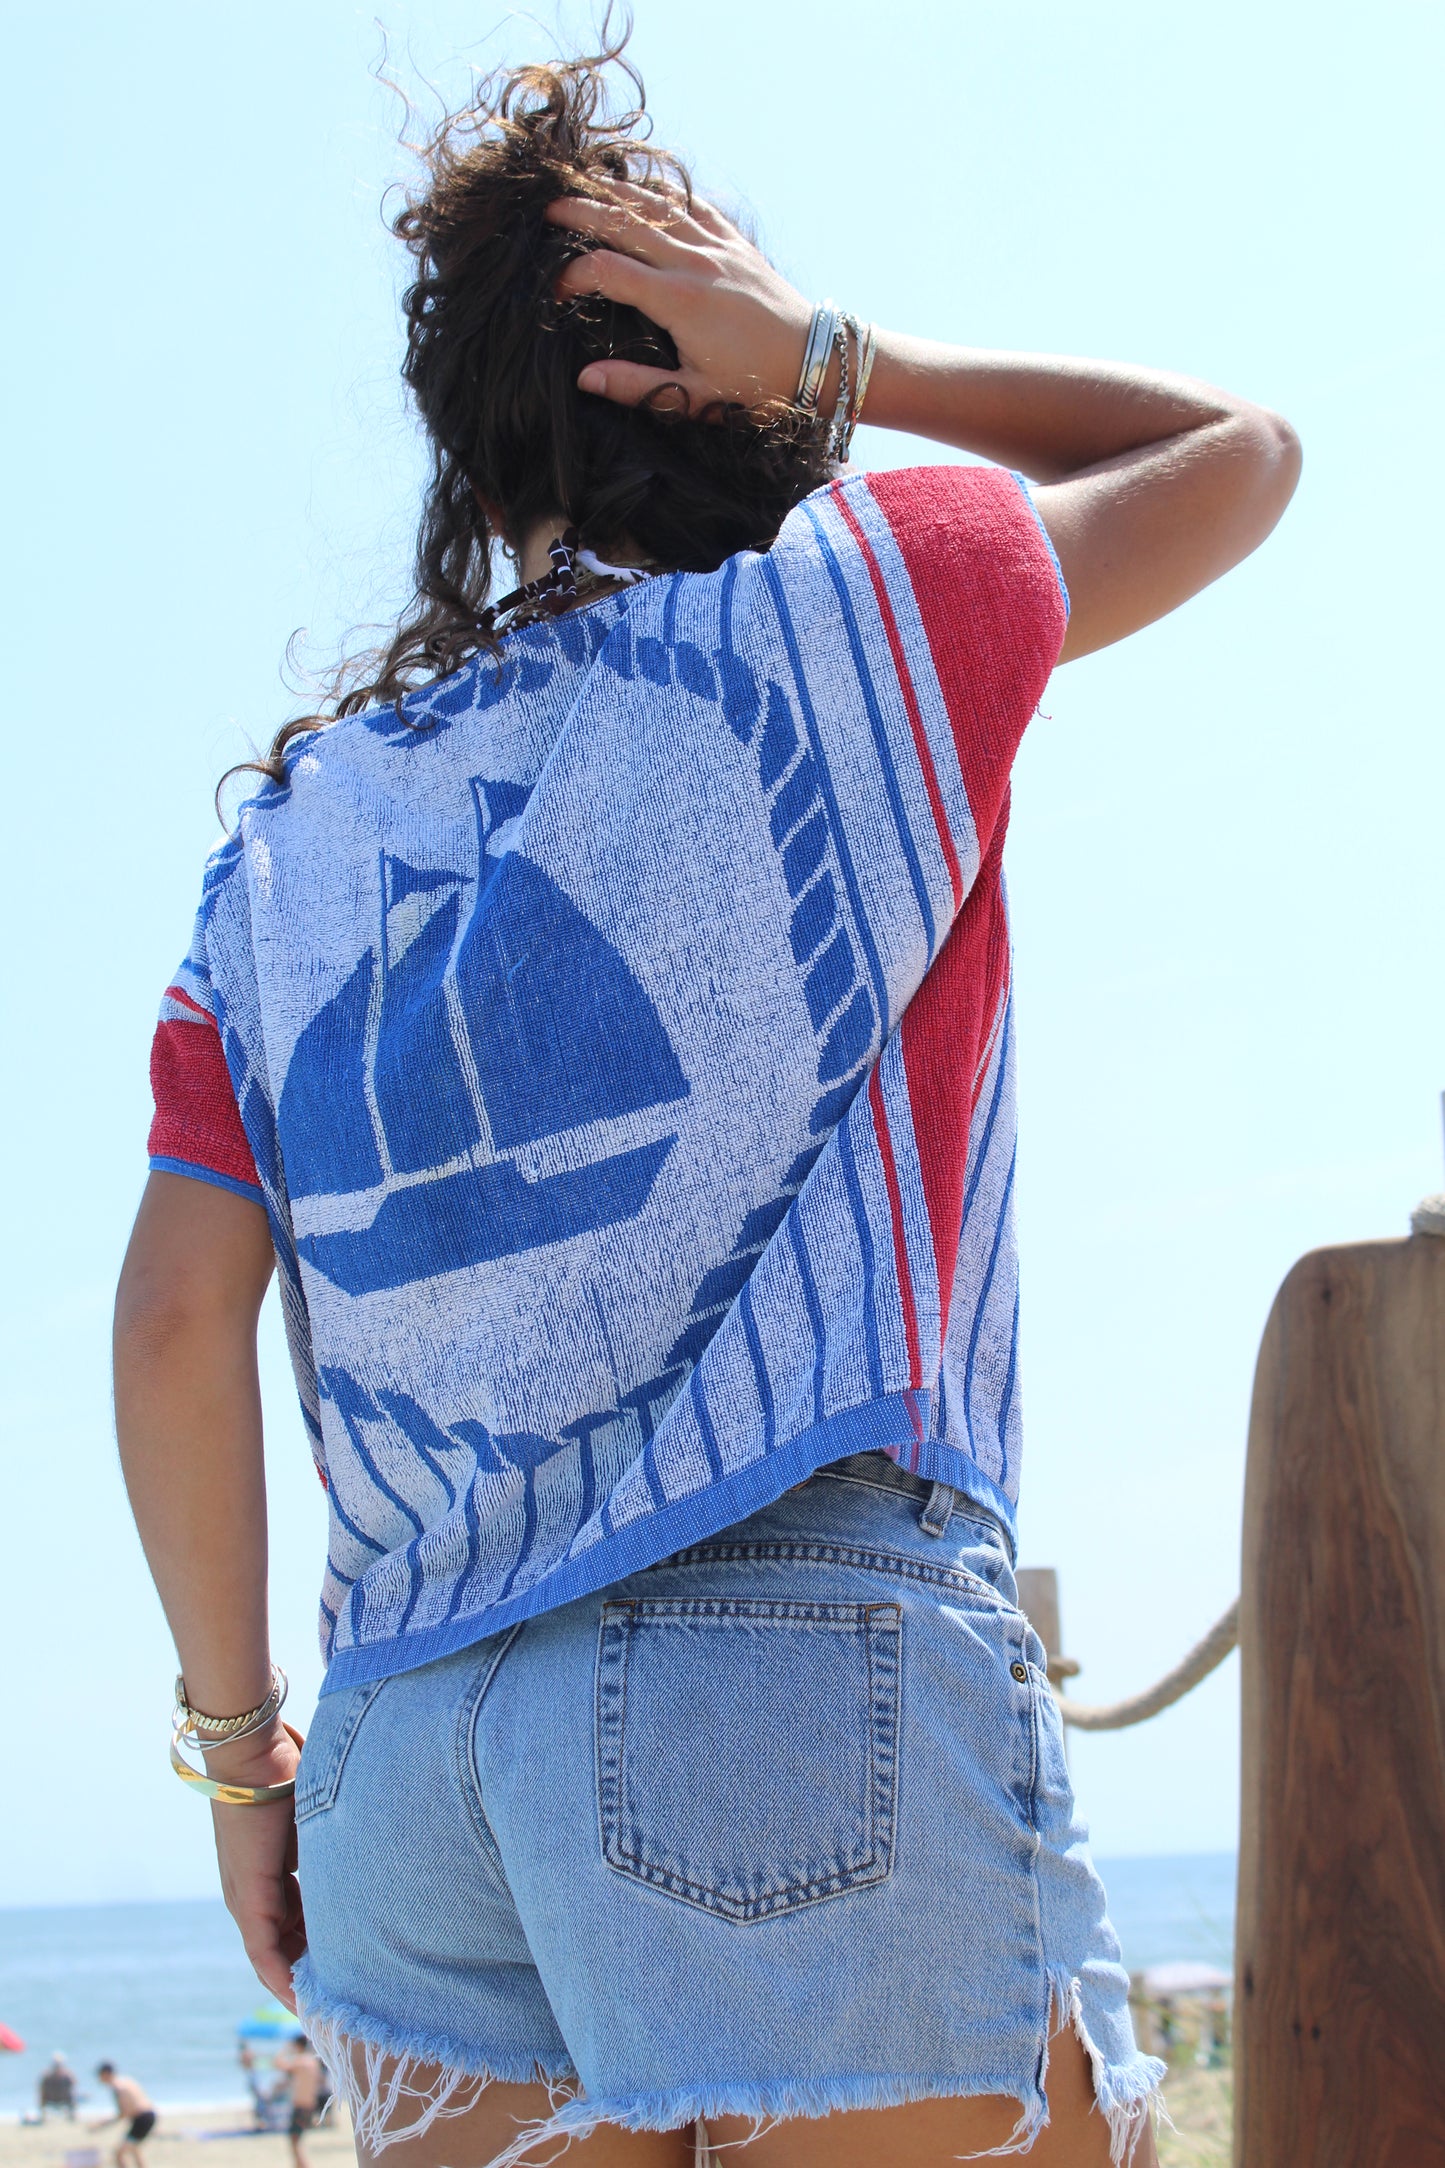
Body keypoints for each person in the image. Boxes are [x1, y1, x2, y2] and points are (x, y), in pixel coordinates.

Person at [112, 33, 1299, 2168]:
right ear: (723, 386)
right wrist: (838, 355)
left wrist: (238, 1759)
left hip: (408, 1762)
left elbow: (176, 1318)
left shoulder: (289, 851)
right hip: (799, 1680)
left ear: (474, 460)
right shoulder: (870, 614)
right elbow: (1238, 451)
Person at [275, 2034, 326, 2167]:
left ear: (297, 2045)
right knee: (297, 2140)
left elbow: (278, 2064)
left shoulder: (300, 2061)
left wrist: (285, 2050)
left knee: (294, 2140)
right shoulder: (313, 2062)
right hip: (310, 2104)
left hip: (300, 2105)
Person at [91, 2065, 156, 2168]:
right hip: (149, 2115)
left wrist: (102, 2124)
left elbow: (124, 2113)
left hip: (141, 2119)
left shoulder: (117, 2087)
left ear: (106, 2074)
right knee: (134, 2149)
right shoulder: (127, 2081)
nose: (99, 2079)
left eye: (100, 2076)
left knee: (118, 2153)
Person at [38, 2053, 77, 2119]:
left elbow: (73, 2087)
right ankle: (44, 2116)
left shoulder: (67, 2076)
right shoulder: (47, 2077)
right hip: (54, 2098)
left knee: (73, 2095)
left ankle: (72, 2115)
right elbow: (42, 2091)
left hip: (61, 2098)